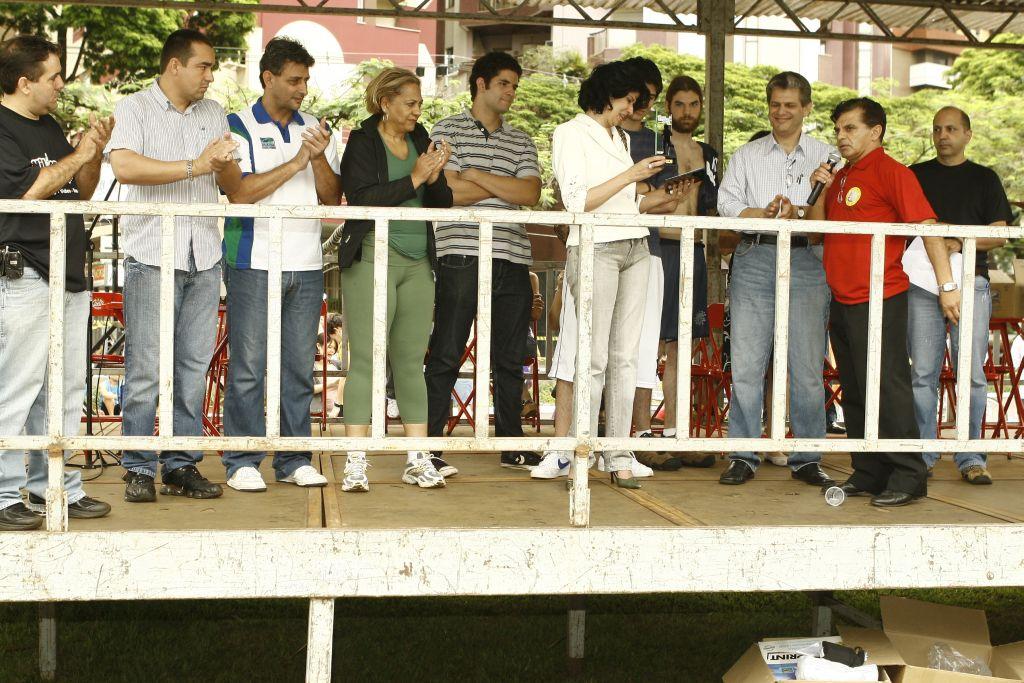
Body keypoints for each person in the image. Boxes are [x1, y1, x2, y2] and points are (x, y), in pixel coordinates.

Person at [108, 29, 242, 503]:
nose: (210, 76)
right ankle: (139, 466)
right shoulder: (135, 107)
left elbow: (230, 182)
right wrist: (196, 166)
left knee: (192, 368)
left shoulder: (214, 112)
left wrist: (223, 165)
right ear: (174, 66)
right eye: (203, 66)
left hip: (203, 253)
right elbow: (124, 167)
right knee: (146, 368)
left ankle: (181, 463)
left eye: (212, 68)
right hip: (151, 253)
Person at [810, 97, 959, 507]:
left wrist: (947, 285)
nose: (841, 136)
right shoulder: (841, 176)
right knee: (855, 387)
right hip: (843, 296)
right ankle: (869, 470)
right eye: (838, 130)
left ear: (875, 131)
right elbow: (815, 231)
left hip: (880, 295)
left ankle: (909, 474)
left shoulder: (893, 171)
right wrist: (819, 188)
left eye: (850, 128)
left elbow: (928, 226)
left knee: (888, 386)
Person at [549, 60, 680, 489]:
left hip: (635, 243)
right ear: (607, 95)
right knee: (593, 357)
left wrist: (658, 196)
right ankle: (582, 451)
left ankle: (619, 451)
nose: (631, 109)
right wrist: (632, 174)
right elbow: (576, 201)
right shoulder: (570, 133)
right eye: (628, 100)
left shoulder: (619, 136)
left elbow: (625, 202)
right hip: (595, 246)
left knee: (626, 356)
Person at [0, 35, 113, 529]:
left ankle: (57, 486)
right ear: (24, 83)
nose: (61, 85)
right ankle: (4, 493)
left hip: (66, 271)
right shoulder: (3, 127)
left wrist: (92, 154)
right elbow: (27, 191)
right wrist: (78, 153)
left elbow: (78, 189)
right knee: (18, 386)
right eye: (53, 77)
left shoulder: (48, 125)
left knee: (65, 388)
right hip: (24, 270)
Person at [219, 37, 340, 493]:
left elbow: (331, 196)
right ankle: (241, 459)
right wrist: (298, 160)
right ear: (268, 78)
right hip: (252, 260)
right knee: (248, 367)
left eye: (306, 80)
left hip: (306, 263)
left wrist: (319, 156)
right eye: (293, 80)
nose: (302, 89)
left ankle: (293, 458)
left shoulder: (315, 127)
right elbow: (241, 192)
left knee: (299, 369)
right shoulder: (237, 125)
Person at [425, 52, 542, 474]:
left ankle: (511, 444)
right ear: (481, 83)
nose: (511, 92)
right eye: (504, 83)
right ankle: (429, 446)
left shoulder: (522, 139)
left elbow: (530, 193)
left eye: (514, 85)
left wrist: (473, 174)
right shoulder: (446, 129)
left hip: (512, 255)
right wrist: (502, 186)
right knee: (447, 352)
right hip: (459, 252)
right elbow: (447, 191)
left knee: (510, 358)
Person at [337, 67, 453, 492]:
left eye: (420, 104)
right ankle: (355, 460)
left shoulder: (421, 139)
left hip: (419, 262)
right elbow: (361, 198)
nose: (417, 111)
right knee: (366, 361)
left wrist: (434, 177)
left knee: (410, 363)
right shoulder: (362, 141)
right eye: (410, 103)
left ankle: (418, 459)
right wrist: (416, 177)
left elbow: (442, 202)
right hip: (372, 256)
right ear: (385, 103)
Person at [716, 71, 834, 488]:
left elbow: (833, 213)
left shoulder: (827, 155)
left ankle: (807, 457)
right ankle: (743, 454)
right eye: (775, 104)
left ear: (806, 108)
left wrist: (797, 212)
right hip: (756, 253)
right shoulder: (747, 154)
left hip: (807, 259)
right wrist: (761, 214)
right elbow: (726, 204)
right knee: (748, 363)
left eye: (790, 105)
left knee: (806, 365)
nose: (781, 112)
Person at [906, 106, 1011, 485]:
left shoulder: (985, 178)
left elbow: (1000, 234)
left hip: (971, 282)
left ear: (968, 134)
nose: (943, 135)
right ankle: (922, 454)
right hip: (920, 283)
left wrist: (958, 240)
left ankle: (971, 455)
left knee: (972, 373)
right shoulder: (915, 175)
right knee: (922, 373)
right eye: (937, 129)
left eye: (951, 129)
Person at [650, 74, 718, 468]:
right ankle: (640, 434)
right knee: (650, 344)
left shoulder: (709, 154)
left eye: (693, 104)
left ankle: (677, 433)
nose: (687, 111)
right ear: (668, 107)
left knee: (682, 347)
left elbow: (713, 208)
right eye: (680, 104)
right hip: (659, 248)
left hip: (695, 251)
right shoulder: (654, 145)